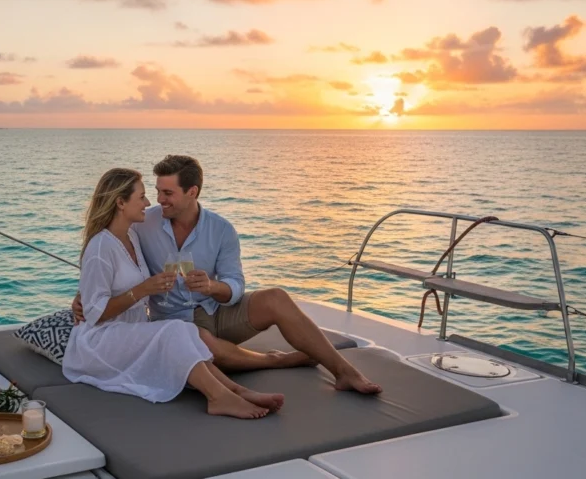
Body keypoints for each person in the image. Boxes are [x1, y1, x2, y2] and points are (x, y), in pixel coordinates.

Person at [74, 156, 382, 395]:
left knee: (276, 297)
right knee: (200, 341)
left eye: (167, 192)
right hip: (172, 319)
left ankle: (344, 371)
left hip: (214, 310)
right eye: (154, 192)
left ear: (191, 191)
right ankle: (276, 360)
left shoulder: (221, 230)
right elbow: (111, 259)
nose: (157, 200)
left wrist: (212, 287)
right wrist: (83, 297)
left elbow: (235, 285)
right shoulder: (143, 222)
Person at [61, 168, 285, 418]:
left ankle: (236, 390)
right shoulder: (101, 246)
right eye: (142, 197)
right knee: (174, 330)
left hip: (127, 332)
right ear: (121, 202)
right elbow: (95, 314)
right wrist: (143, 289)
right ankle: (218, 397)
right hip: (100, 342)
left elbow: (98, 286)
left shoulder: (131, 238)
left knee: (186, 330)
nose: (149, 203)